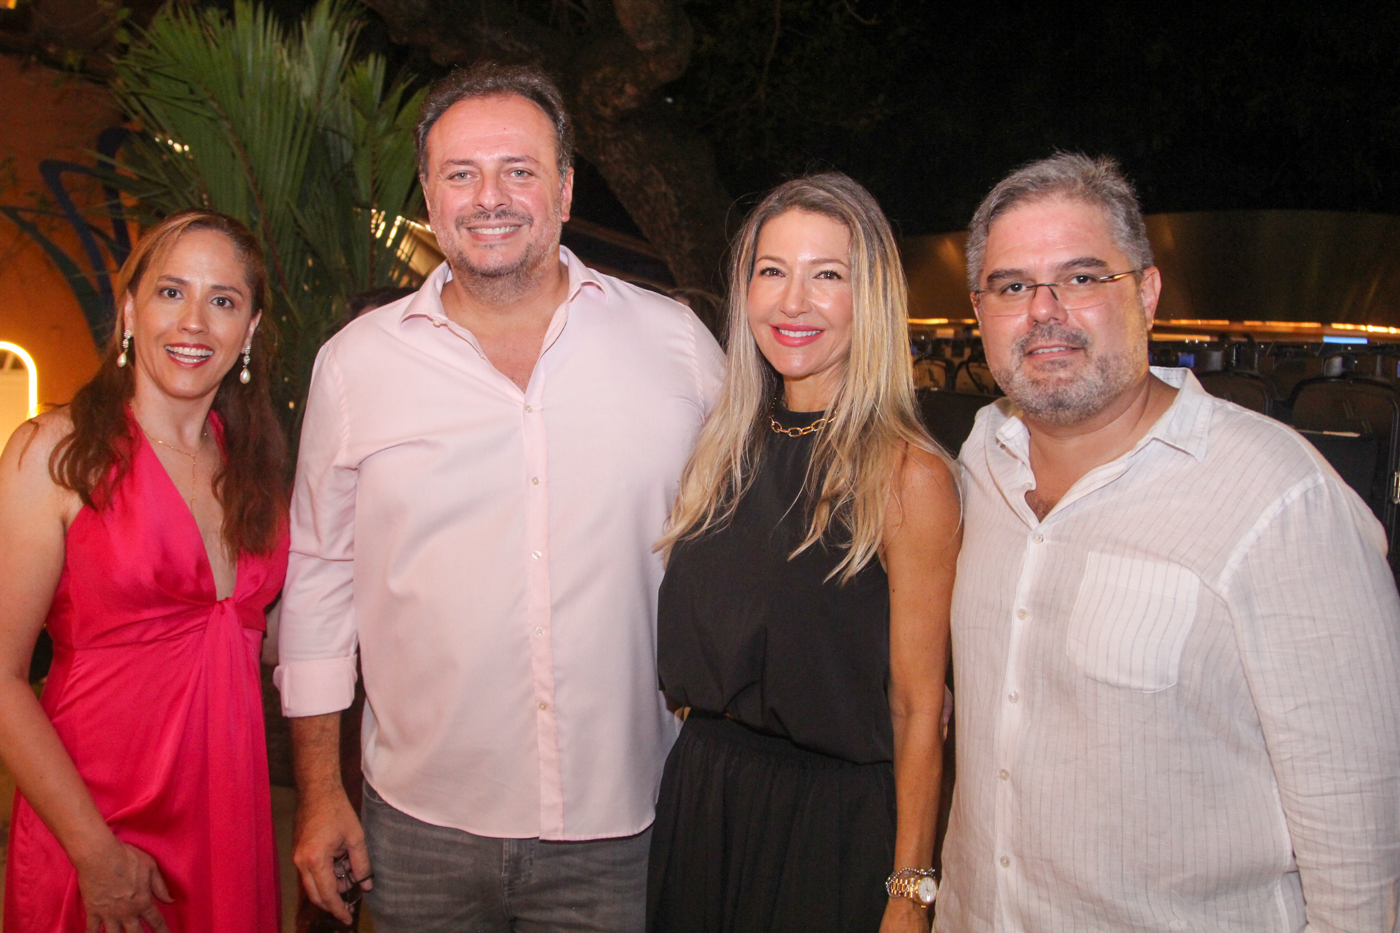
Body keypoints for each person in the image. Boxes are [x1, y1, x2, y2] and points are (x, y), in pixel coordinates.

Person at [276, 62, 725, 932]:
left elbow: (761, 518)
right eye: (461, 173)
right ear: (430, 195)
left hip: (624, 824)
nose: (490, 197)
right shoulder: (355, 366)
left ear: (564, 189)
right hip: (417, 828)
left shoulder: (674, 346)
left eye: (518, 170)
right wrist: (322, 792)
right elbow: (320, 582)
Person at [938, 152, 1400, 931]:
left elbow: (1361, 854)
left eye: (1083, 277)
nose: (1044, 309)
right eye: (1012, 286)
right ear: (980, 311)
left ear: (1148, 293)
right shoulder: (980, 461)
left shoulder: (1280, 500)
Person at [649, 173, 961, 933]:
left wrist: (909, 889)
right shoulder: (721, 451)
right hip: (703, 807)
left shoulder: (906, 474)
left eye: (827, 275)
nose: (793, 302)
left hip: (829, 832)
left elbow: (920, 707)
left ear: (871, 299)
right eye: (772, 271)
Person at [0, 209, 288, 932]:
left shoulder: (255, 472)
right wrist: (94, 852)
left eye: (223, 300)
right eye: (171, 292)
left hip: (227, 819)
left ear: (249, 329)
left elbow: (272, 641)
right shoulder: (54, 452)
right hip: (95, 823)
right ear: (130, 310)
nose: (194, 322)